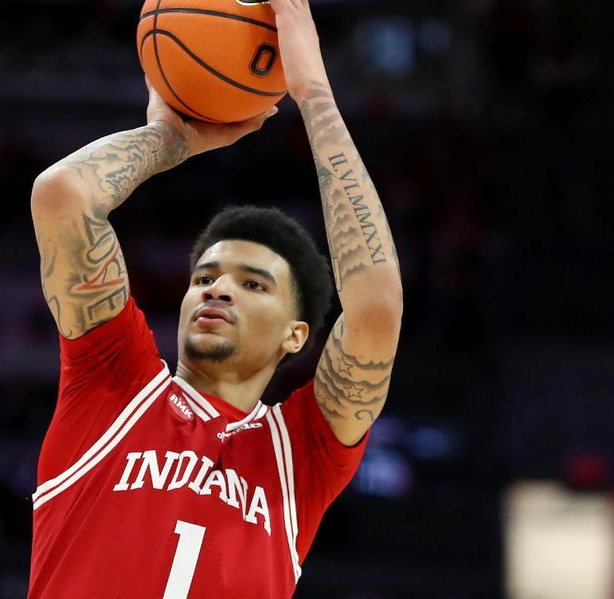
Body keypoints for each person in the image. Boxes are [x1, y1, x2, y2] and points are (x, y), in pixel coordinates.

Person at [27, 0, 403, 596]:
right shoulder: (113, 387)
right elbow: (63, 196)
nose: (219, 288)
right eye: (205, 277)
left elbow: (376, 307)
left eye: (253, 284)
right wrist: (169, 138)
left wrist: (314, 96)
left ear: (296, 335)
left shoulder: (301, 454)